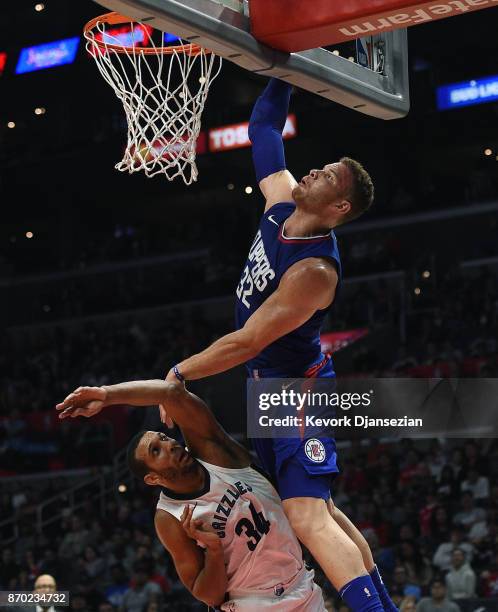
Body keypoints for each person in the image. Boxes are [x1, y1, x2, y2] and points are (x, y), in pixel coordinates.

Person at [160, 78, 393, 612]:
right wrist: (283, 71)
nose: (312, 170)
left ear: (337, 205)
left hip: (297, 391)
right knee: (321, 512)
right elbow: (264, 126)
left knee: (308, 518)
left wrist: (180, 371)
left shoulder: (314, 269)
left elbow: (247, 341)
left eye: (327, 175)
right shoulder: (279, 201)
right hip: (268, 391)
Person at [56, 380, 328, 611]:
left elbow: (173, 392)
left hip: (302, 587)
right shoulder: (169, 518)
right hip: (250, 604)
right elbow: (208, 595)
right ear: (153, 478)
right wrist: (212, 549)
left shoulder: (214, 453)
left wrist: (107, 395)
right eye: (155, 451)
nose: (169, 444)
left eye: (163, 438)